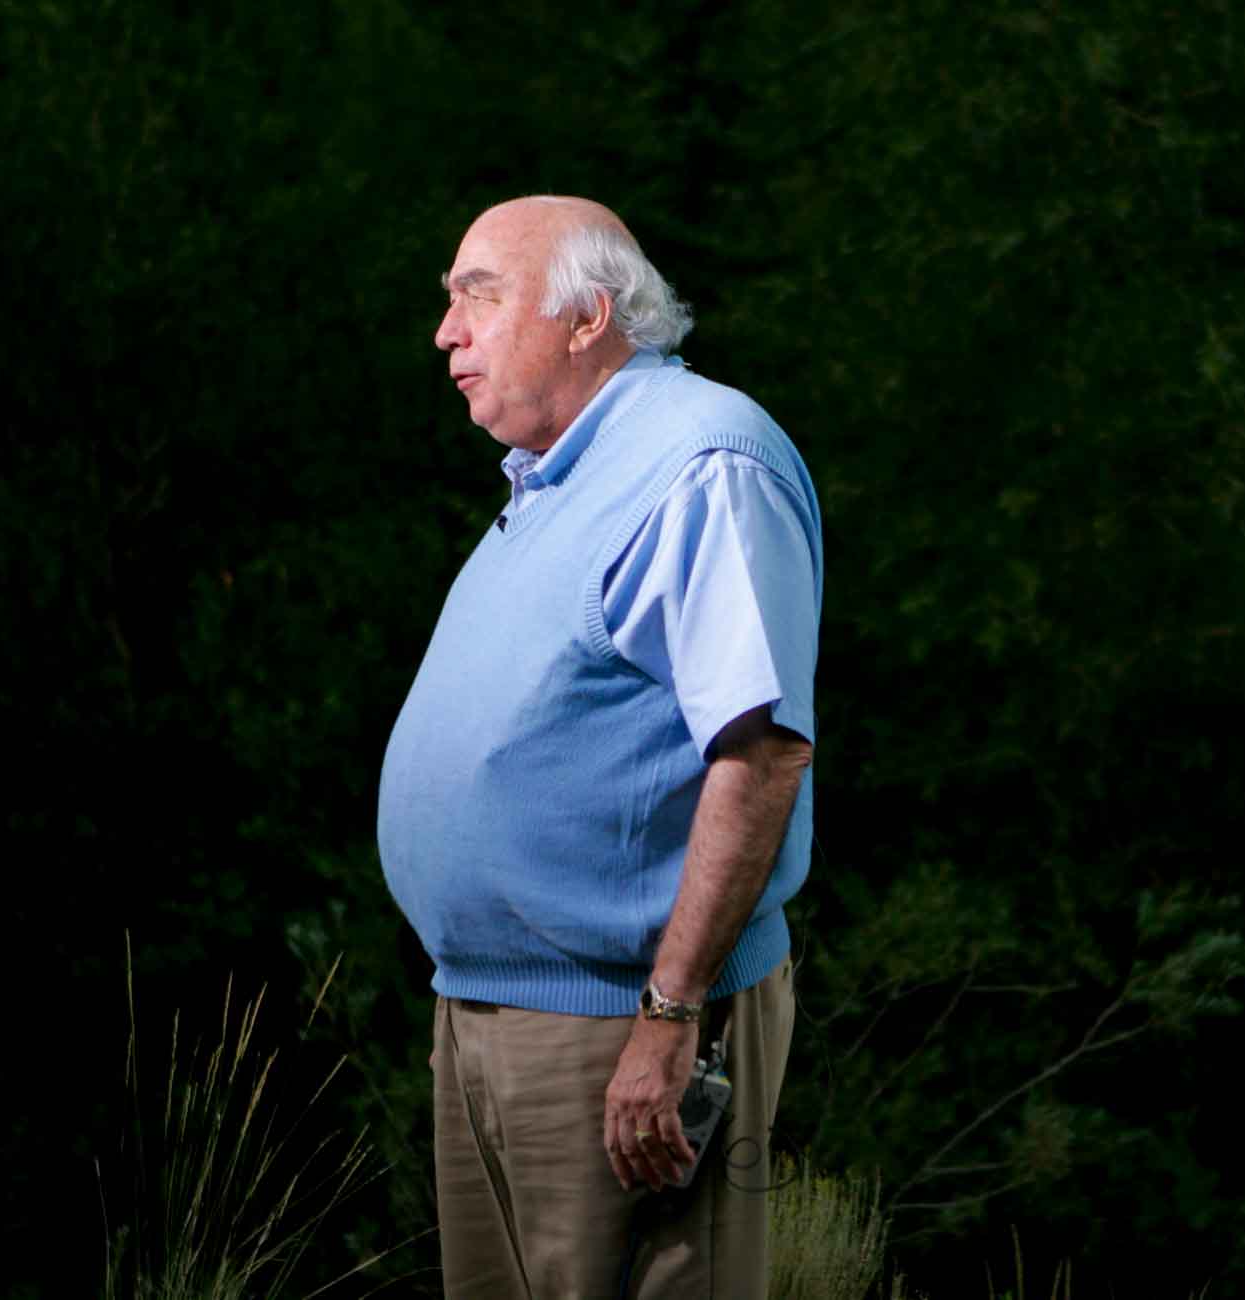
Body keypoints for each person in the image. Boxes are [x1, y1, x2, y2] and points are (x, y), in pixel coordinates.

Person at [377, 196, 822, 1298]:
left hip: (618, 1027)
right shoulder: (556, 479)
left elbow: (759, 756)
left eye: (476, 295)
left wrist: (668, 1020)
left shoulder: (702, 462)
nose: (447, 331)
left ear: (587, 316)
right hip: (489, 1011)